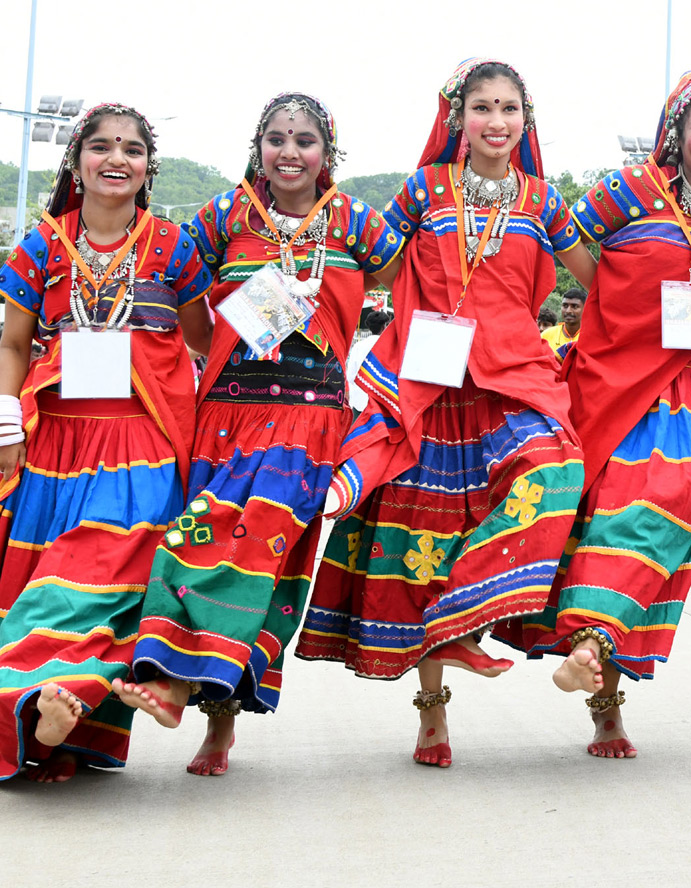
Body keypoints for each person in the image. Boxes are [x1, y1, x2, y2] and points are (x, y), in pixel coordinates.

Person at [293, 59, 595, 768]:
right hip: (429, 382)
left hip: (515, 380)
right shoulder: (423, 192)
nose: (496, 121)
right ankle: (431, 715)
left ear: (527, 120)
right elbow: (376, 268)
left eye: (509, 108)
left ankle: (462, 613)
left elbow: (608, 282)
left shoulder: (544, 202)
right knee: (418, 527)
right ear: (457, 118)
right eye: (482, 107)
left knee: (555, 470)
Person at [112, 92, 403, 777]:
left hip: (310, 421)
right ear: (258, 145)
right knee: (202, 532)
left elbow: (414, 282)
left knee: (261, 546)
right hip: (226, 415)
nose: (290, 152)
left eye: (305, 140)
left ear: (327, 153)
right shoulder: (221, 216)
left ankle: (184, 689)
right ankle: (206, 705)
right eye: (277, 138)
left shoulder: (359, 223)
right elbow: (180, 293)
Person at [493, 72, 691, 758]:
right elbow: (565, 243)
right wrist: (616, 300)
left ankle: (591, 644)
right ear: (676, 134)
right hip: (619, 383)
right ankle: (603, 693)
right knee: (614, 520)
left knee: (665, 515)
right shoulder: (627, 191)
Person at [0, 104, 212, 782]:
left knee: (102, 578)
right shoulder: (40, 244)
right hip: (56, 449)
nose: (117, 158)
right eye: (101, 147)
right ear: (77, 162)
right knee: (48, 582)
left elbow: (207, 341)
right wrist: (6, 421)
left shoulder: (174, 246)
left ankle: (56, 692)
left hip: (143, 448)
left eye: (132, 149)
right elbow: (11, 343)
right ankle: (49, 731)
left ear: (149, 168)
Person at [345, 308, 392, 415]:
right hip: (383, 402)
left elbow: (350, 377)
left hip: (360, 402)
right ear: (384, 326)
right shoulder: (389, 346)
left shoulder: (358, 346)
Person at [542, 286, 584, 355]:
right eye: (565, 306)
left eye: (575, 306)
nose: (568, 311)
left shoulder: (592, 337)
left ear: (585, 309)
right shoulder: (546, 336)